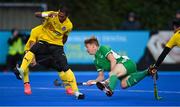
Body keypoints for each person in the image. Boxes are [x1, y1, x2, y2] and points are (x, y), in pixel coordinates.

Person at [13, 7, 85, 99]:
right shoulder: (41, 25)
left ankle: (75, 92)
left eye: (62, 16)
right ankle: (24, 78)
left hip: (56, 48)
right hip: (43, 48)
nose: (59, 17)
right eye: (59, 15)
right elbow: (31, 43)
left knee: (63, 68)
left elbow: (65, 36)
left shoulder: (69, 25)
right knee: (31, 51)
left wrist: (61, 46)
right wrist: (47, 14)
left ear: (67, 16)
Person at [84, 36, 153, 97]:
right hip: (120, 72)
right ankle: (147, 72)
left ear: (93, 46)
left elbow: (113, 60)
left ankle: (110, 89)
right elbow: (101, 77)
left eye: (87, 47)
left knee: (112, 73)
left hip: (127, 63)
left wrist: (110, 78)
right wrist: (93, 81)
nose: (86, 50)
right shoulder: (96, 61)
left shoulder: (102, 48)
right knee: (123, 85)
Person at [20, 25, 74, 95]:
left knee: (60, 66)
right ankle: (26, 85)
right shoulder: (35, 30)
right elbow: (32, 43)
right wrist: (33, 58)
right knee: (26, 66)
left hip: (46, 52)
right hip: (31, 51)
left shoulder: (54, 29)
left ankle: (67, 87)